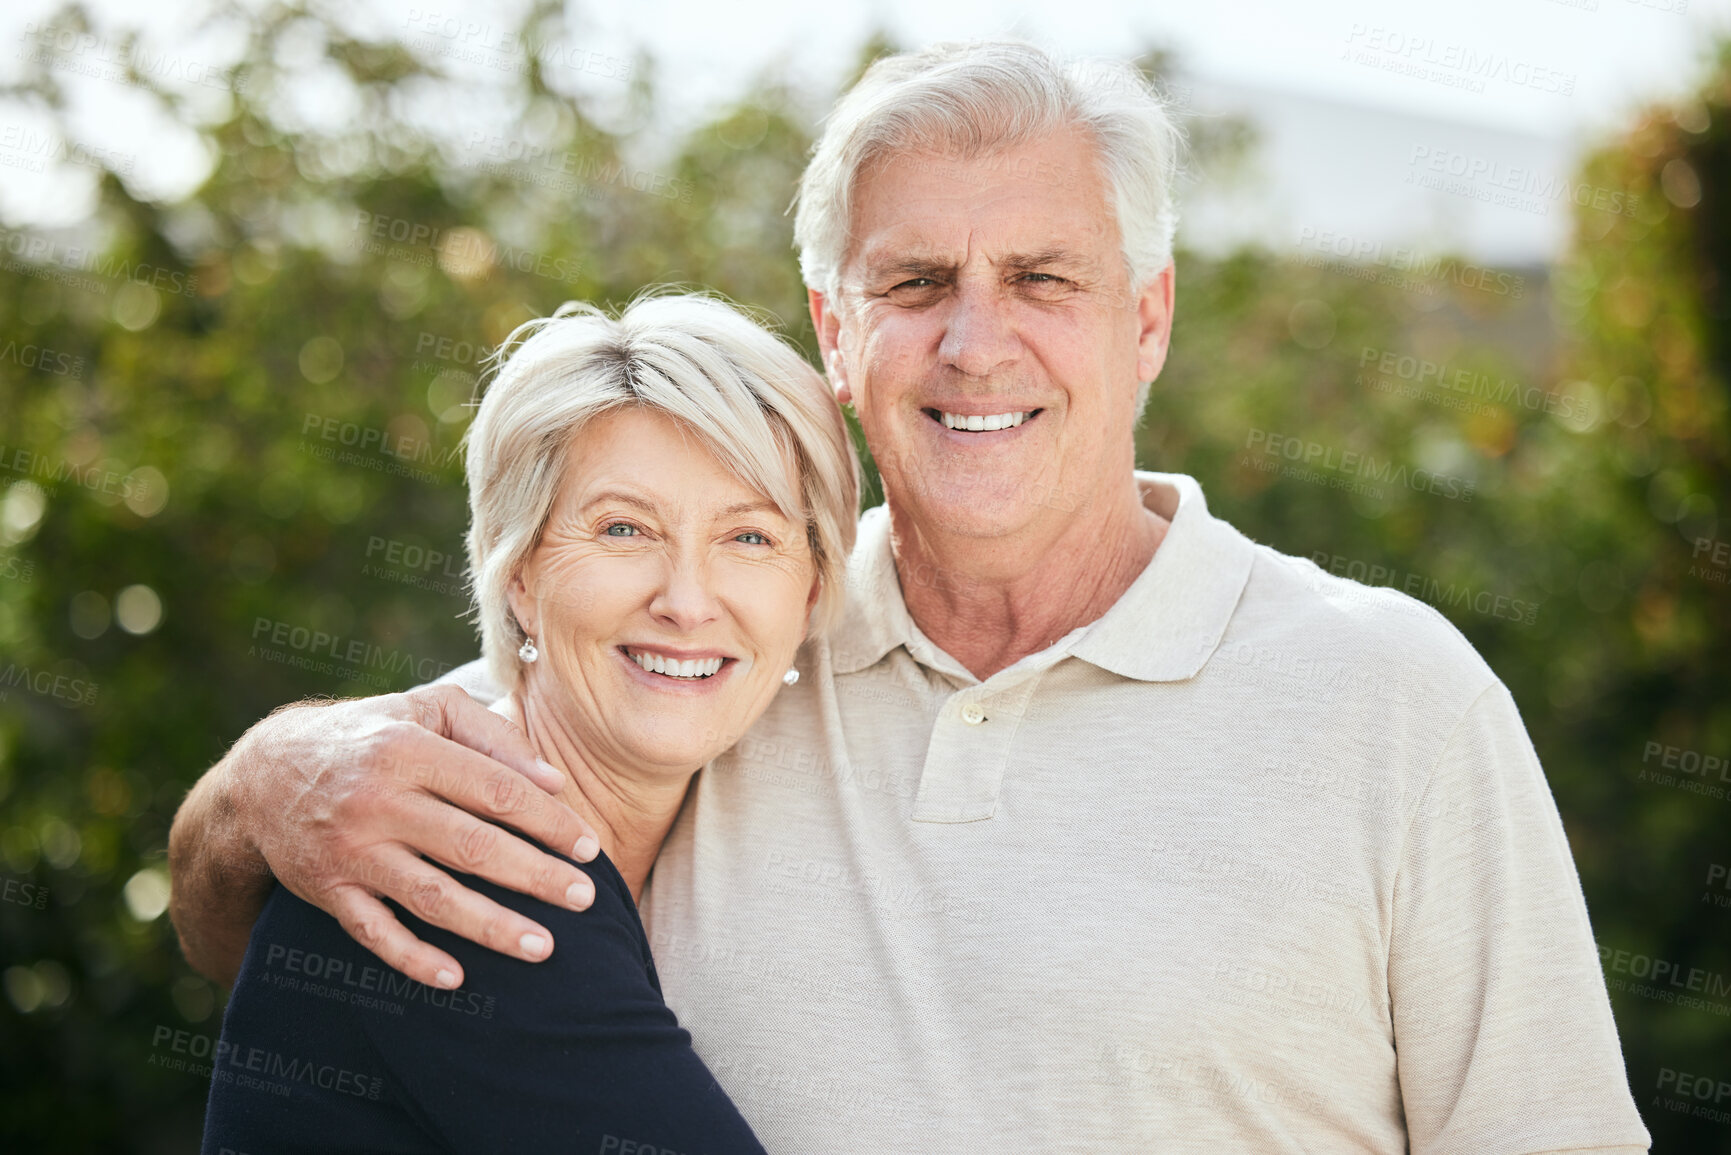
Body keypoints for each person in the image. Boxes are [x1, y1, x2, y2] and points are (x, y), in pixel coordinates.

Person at [172, 41, 1651, 1152]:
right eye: (916, 282)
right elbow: (323, 890)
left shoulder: (1389, 695)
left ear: (1145, 317)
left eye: (1041, 278)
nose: (974, 342)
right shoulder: (729, 649)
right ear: (832, 326)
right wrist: (263, 779)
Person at [197, 293, 859, 1153]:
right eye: (624, 528)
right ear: (517, 574)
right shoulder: (475, 876)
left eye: (750, 538)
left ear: (810, 592)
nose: (687, 602)